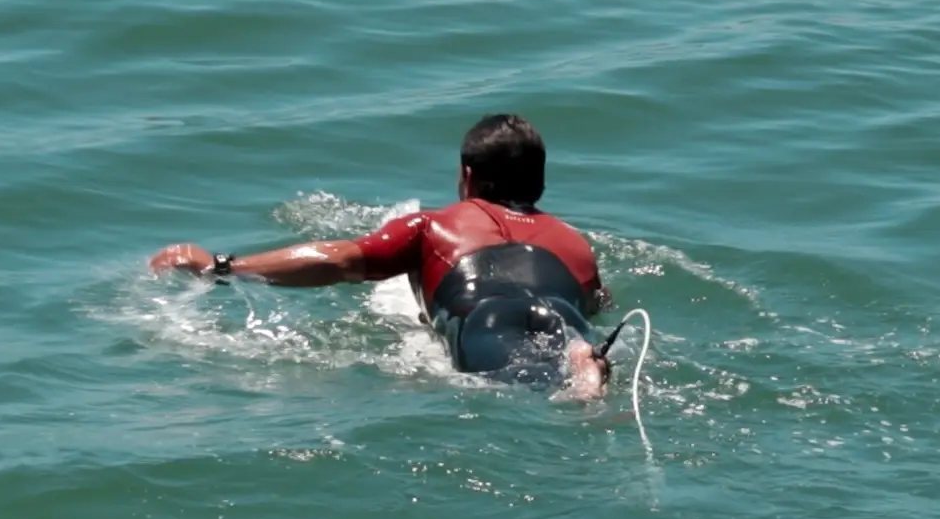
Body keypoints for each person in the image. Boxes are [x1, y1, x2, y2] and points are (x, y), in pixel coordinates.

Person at [149, 114, 612, 397]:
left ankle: (580, 367)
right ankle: (581, 362)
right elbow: (596, 303)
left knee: (501, 382)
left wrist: (221, 267)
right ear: (540, 181)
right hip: (561, 312)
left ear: (467, 176)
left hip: (484, 315)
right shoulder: (574, 243)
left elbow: (336, 260)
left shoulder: (433, 225)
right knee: (555, 364)